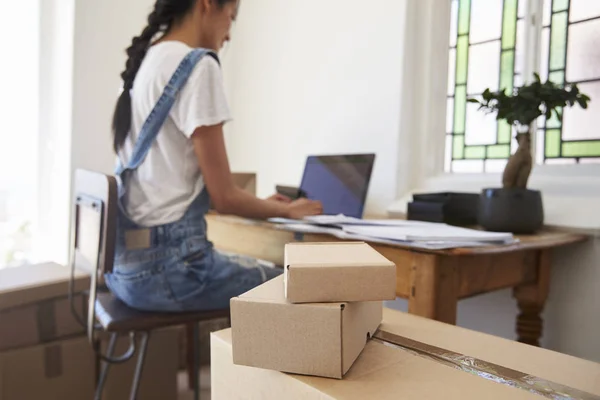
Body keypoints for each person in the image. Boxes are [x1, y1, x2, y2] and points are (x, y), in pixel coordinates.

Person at [104, 0, 323, 313]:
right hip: (173, 272)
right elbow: (225, 198)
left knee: (257, 269)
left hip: (125, 272)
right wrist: (289, 212)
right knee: (306, 288)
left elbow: (170, 181)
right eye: (230, 17)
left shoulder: (147, 59)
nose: (230, 34)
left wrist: (263, 205)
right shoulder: (197, 65)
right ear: (207, 5)